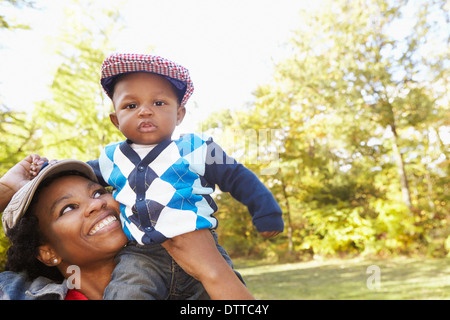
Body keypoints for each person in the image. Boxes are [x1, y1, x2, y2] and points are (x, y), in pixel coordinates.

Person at [87, 53, 284, 299]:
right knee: (125, 293)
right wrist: (41, 167)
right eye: (131, 105)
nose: (145, 111)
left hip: (202, 246)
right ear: (116, 120)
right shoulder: (111, 158)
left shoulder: (197, 148)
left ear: (179, 114)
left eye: (158, 103)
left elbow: (238, 176)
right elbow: (74, 174)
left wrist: (267, 211)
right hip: (141, 256)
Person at [0, 155, 254, 300]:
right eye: (68, 208)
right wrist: (6, 191)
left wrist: (215, 273)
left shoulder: (182, 271)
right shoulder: (19, 293)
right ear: (46, 252)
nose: (96, 205)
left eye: (98, 192)